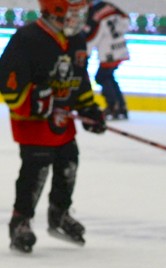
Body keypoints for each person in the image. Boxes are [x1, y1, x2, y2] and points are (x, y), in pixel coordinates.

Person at [2, 0, 106, 254]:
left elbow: (80, 78)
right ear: (55, 12)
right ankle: (20, 221)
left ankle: (59, 214)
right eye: (73, 14)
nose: (78, 19)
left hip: (62, 121)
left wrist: (88, 108)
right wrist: (33, 100)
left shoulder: (76, 40)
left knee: (69, 161)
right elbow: (7, 80)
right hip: (33, 121)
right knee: (36, 168)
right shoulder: (27, 38)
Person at [86, 0, 129, 120]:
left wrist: (86, 52)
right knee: (108, 76)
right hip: (120, 47)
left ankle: (113, 106)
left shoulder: (93, 12)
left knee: (102, 77)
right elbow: (126, 20)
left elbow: (93, 36)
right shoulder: (108, 5)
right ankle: (121, 106)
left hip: (108, 52)